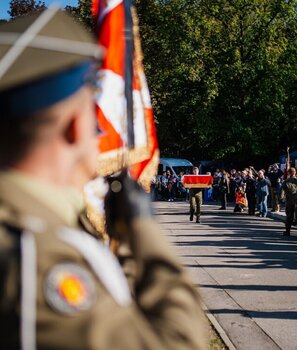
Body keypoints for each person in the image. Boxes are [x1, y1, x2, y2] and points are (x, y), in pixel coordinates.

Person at [0, 10, 205, 349]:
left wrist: (120, 246)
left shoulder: (32, 225)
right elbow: (177, 342)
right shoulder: (37, 256)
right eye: (95, 121)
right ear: (74, 126)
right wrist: (144, 232)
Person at [281, 168, 297, 236]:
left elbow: (282, 192)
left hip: (289, 201)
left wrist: (281, 199)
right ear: (295, 172)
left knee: (289, 216)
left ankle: (288, 231)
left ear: (289, 173)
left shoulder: (286, 181)